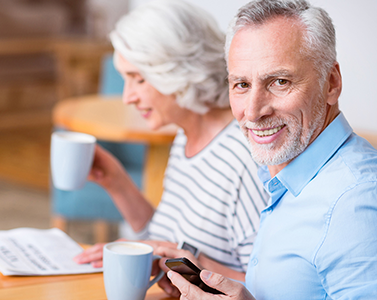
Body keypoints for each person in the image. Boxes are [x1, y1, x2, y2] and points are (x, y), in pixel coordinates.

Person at [157, 0, 377, 299]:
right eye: (242, 84)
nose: (253, 111)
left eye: (279, 81)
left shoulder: (355, 202)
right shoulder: (283, 176)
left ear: (332, 84)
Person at [74, 0, 268, 290]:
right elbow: (166, 241)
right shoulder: (184, 138)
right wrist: (115, 181)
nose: (127, 97)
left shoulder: (242, 156)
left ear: (179, 72)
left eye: (138, 79)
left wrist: (192, 263)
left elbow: (266, 288)